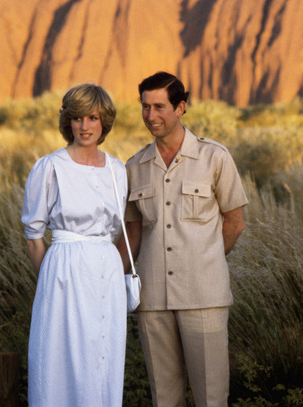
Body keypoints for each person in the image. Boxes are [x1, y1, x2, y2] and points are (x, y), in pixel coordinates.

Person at [120, 71, 248, 406]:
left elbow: (235, 223)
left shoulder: (215, 157)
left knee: (210, 397)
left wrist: (206, 260)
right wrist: (109, 276)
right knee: (164, 398)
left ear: (180, 107)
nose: (151, 116)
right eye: (145, 107)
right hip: (152, 300)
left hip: (204, 295)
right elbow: (132, 232)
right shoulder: (134, 166)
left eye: (159, 107)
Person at [21, 83, 128, 406]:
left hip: (107, 272)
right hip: (63, 271)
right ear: (67, 121)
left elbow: (118, 228)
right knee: (59, 355)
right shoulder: (50, 167)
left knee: (103, 355)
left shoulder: (117, 170)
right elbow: (34, 235)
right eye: (78, 117)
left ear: (104, 122)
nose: (85, 126)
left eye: (93, 118)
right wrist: (49, 282)